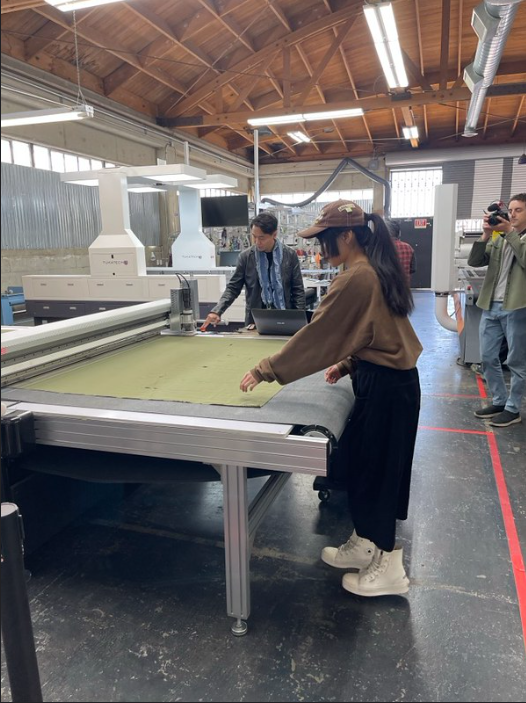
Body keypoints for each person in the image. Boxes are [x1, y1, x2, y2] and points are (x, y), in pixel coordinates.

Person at [239, 200, 422, 597]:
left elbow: (318, 336)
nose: (321, 249)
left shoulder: (357, 276)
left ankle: (389, 566)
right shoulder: (370, 269)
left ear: (348, 235)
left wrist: (265, 368)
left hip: (390, 388)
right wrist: (351, 364)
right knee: (363, 465)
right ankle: (366, 542)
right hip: (383, 379)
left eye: (325, 240)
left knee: (381, 474)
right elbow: (377, 331)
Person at [468, 193, 526, 427]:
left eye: (518, 210)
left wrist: (510, 232)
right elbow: (475, 261)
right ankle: (500, 400)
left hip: (517, 306)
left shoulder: (513, 236)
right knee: (488, 356)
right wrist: (486, 234)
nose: (512, 214)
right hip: (491, 304)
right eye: (510, 210)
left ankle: (513, 408)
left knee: (516, 360)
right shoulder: (499, 238)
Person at [201, 212, 306, 330]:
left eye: (261, 238)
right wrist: (217, 311)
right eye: (254, 236)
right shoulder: (246, 257)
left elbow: (298, 291)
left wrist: (299, 322)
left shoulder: (289, 255)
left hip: (285, 316)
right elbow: (233, 288)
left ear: (274, 234)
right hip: (255, 320)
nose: (257, 242)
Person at [387, 219, 416, 284]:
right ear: (399, 233)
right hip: (404, 288)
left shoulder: (384, 248)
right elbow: (412, 269)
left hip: (388, 288)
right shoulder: (409, 248)